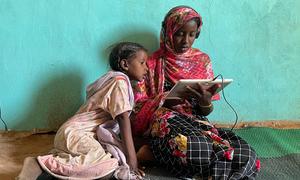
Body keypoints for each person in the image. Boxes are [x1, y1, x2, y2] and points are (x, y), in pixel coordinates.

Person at [132, 6, 260, 179]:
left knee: (247, 153)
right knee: (197, 148)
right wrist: (164, 101)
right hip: (164, 120)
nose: (186, 40)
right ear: (168, 32)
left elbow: (205, 112)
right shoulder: (151, 63)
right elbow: (137, 108)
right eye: (179, 34)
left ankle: (153, 155)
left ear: (197, 34)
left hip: (196, 121)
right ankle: (159, 150)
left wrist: (205, 101)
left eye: (191, 34)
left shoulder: (202, 61)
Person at [36, 42, 148, 180]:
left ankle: (58, 164)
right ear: (125, 64)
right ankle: (39, 165)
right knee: (108, 166)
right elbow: (123, 119)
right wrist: (132, 161)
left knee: (114, 161)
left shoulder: (115, 80)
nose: (146, 68)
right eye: (142, 63)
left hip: (74, 133)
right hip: (76, 134)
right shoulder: (119, 83)